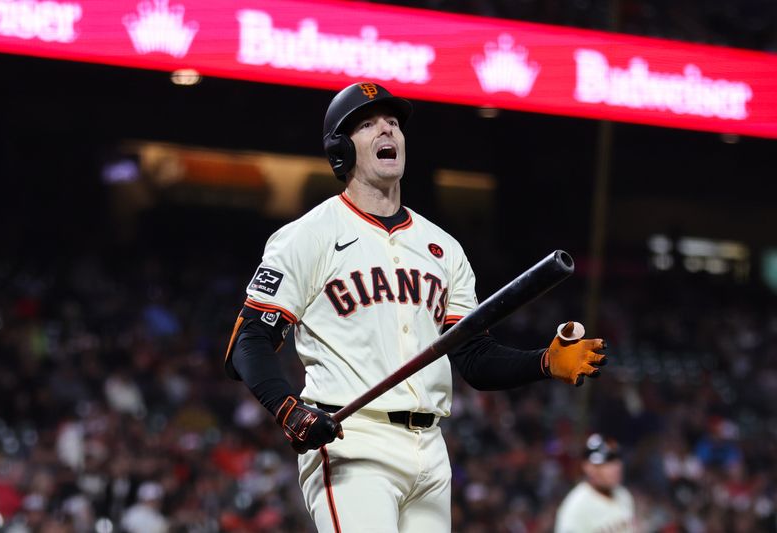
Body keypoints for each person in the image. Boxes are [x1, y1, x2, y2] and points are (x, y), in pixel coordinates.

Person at [224, 81, 608, 533]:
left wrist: (543, 362)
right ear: (341, 150)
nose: (387, 130)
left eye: (393, 123)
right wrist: (289, 408)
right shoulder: (308, 235)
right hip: (354, 442)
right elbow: (247, 341)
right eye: (368, 125)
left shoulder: (442, 246)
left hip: (431, 451)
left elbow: (474, 359)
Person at [554, 434, 635, 533]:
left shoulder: (623, 494)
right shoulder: (575, 508)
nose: (616, 467)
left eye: (616, 459)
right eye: (607, 461)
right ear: (588, 467)